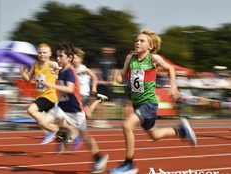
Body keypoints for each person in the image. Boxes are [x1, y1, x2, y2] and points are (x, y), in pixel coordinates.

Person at [108, 29, 197, 174]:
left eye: (142, 41)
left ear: (150, 46)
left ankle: (129, 164)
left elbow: (171, 69)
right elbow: (123, 78)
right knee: (154, 135)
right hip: (137, 103)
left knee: (126, 125)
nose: (137, 42)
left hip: (149, 103)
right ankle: (182, 132)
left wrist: (173, 87)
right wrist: (115, 77)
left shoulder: (154, 59)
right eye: (136, 40)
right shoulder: (129, 58)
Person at [40, 42, 109, 173]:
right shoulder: (61, 71)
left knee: (86, 137)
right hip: (61, 107)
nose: (58, 59)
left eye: (61, 56)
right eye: (57, 56)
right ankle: (66, 133)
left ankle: (99, 157)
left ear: (69, 58)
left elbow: (70, 89)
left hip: (74, 110)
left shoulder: (70, 72)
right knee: (43, 122)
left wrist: (50, 85)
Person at [20, 43, 61, 145]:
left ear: (50, 54)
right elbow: (28, 79)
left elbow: (64, 70)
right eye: (40, 52)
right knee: (42, 122)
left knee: (31, 110)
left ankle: (53, 131)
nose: (42, 54)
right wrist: (22, 73)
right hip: (40, 97)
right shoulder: (35, 65)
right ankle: (64, 133)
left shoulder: (52, 64)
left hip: (50, 96)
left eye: (44, 52)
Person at [73, 47, 108, 118]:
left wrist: (94, 88)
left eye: (75, 58)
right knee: (87, 115)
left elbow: (94, 77)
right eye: (73, 58)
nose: (73, 60)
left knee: (78, 112)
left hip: (83, 93)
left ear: (81, 59)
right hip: (76, 93)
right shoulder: (71, 68)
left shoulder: (84, 69)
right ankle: (99, 100)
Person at [92, 45, 120, 128]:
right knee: (100, 102)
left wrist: (113, 78)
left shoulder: (114, 60)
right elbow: (97, 71)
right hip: (100, 84)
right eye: (105, 49)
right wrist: (102, 81)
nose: (107, 51)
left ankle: (102, 120)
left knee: (104, 102)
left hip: (108, 85)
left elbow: (115, 69)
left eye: (109, 50)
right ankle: (98, 120)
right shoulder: (98, 59)